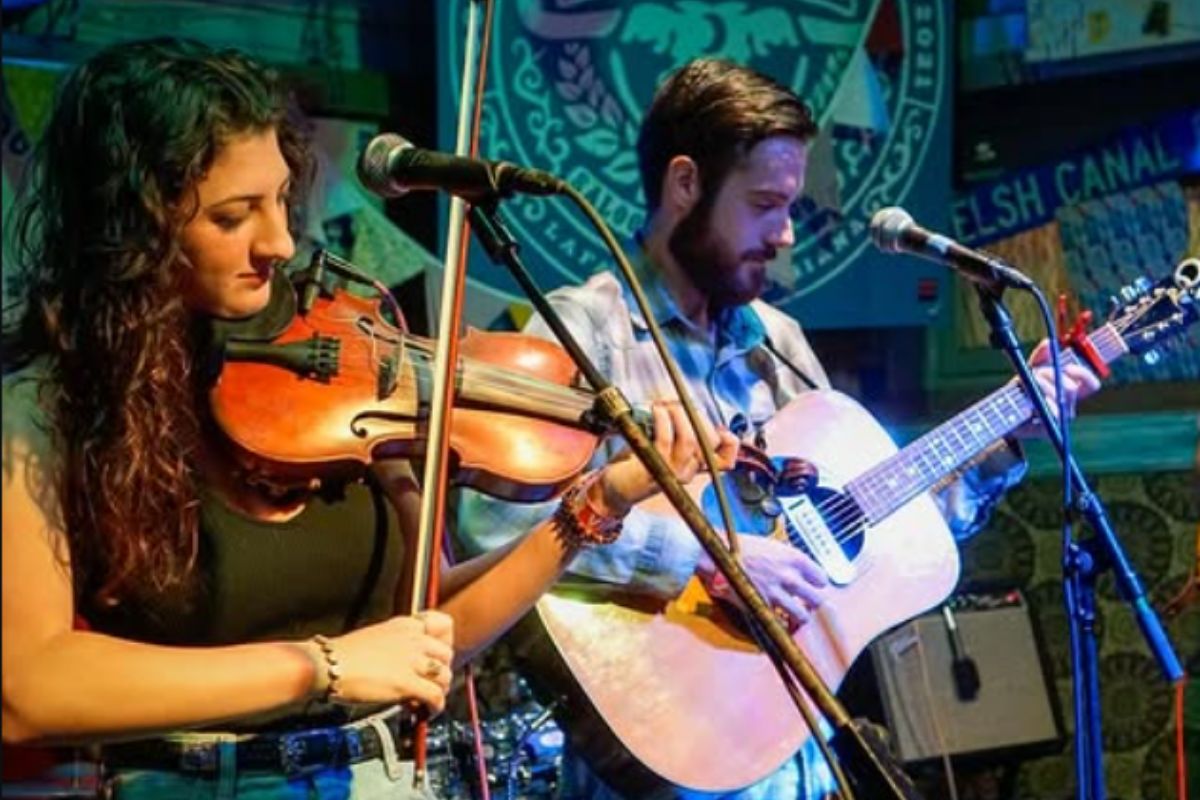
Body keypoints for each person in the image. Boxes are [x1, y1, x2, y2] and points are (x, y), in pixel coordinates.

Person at [0, 38, 737, 800]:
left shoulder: (340, 369)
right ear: (131, 225)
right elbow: (28, 688)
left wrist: (597, 506)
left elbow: (433, 630)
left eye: (282, 200)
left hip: (377, 778)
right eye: (232, 216)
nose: (280, 243)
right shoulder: (49, 410)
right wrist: (327, 667)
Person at [457, 57, 1101, 800]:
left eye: (790, 205)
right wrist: (707, 558)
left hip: (792, 762)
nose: (787, 233)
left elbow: (866, 532)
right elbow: (496, 525)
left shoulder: (779, 344)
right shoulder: (582, 332)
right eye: (766, 204)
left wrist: (1009, 435)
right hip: (652, 758)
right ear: (685, 185)